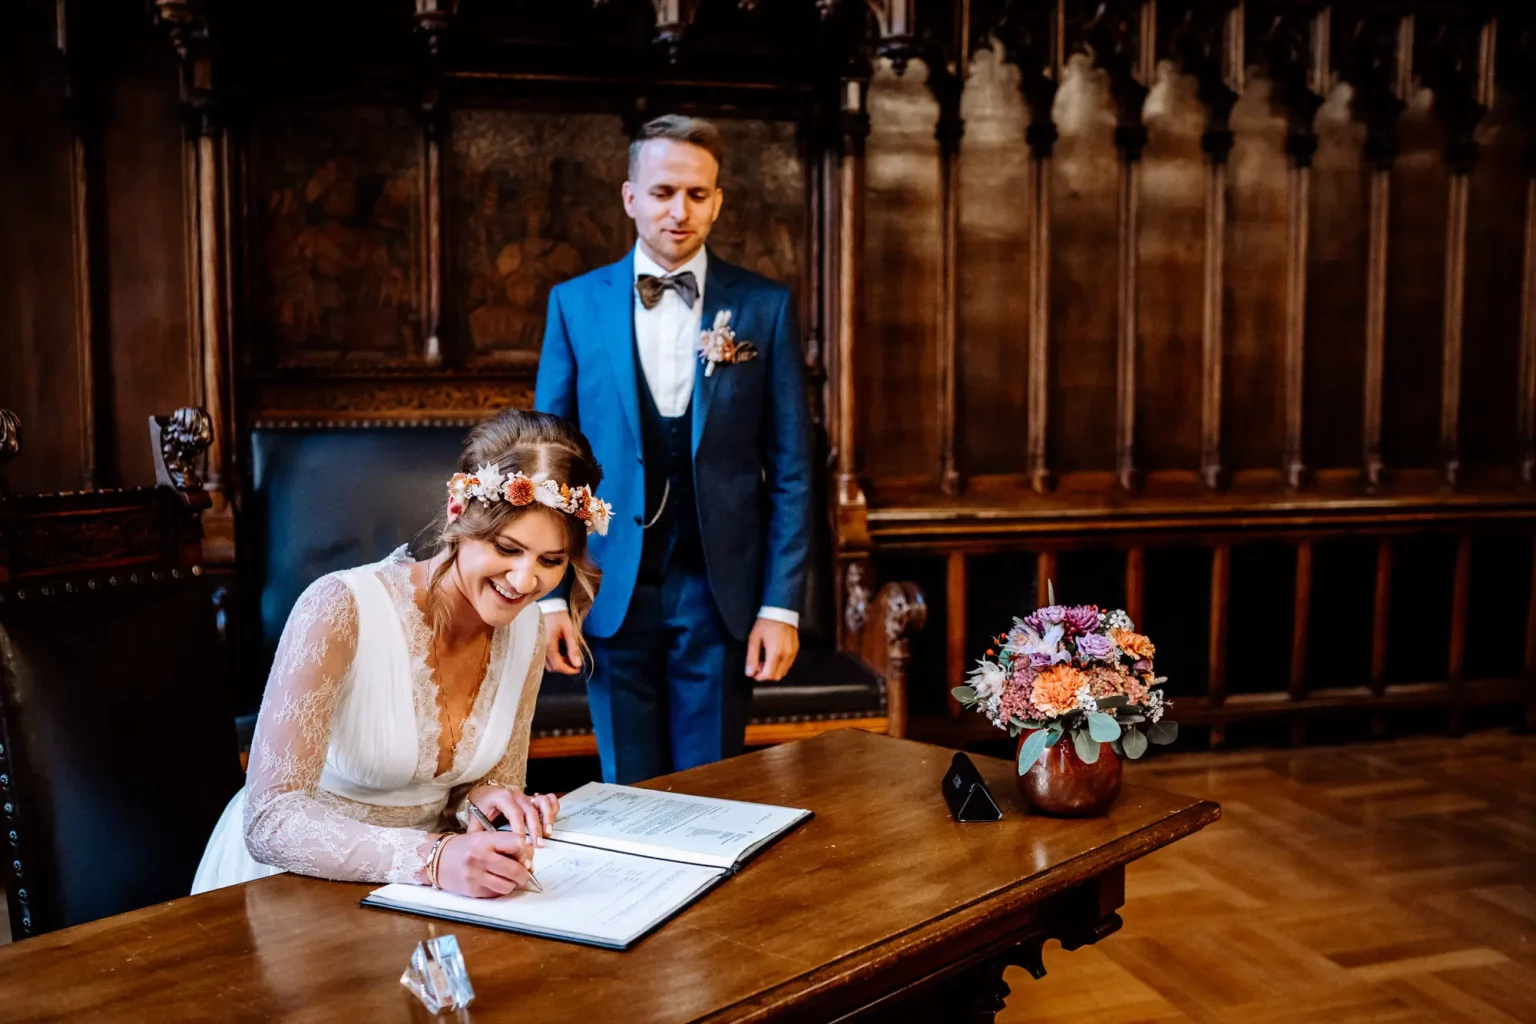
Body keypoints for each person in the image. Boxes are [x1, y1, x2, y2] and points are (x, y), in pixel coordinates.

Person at [192, 409, 608, 897]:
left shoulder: (527, 632)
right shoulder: (339, 609)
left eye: (550, 561)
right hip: (288, 885)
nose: (523, 581)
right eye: (506, 548)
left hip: (422, 897)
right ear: (458, 510)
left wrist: (489, 803)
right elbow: (269, 819)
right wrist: (430, 858)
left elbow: (474, 796)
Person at [534, 114, 812, 784]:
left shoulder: (764, 308)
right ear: (631, 197)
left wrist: (780, 606)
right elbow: (548, 459)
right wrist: (548, 598)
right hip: (608, 586)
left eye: (696, 194)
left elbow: (793, 468)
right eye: (662, 192)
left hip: (717, 594)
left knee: (710, 791)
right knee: (626, 790)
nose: (678, 211)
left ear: (717, 200)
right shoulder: (573, 304)